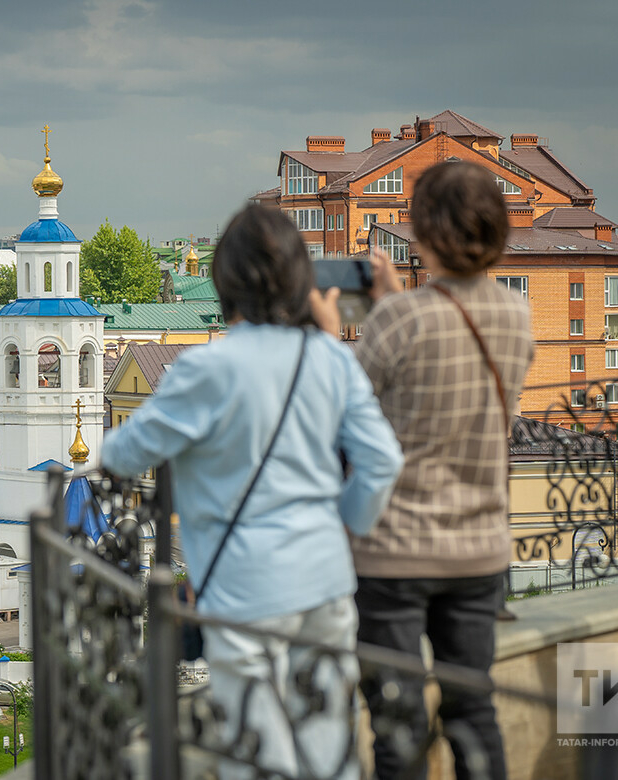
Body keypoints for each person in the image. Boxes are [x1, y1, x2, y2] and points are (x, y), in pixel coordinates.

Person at [101, 204, 403, 779]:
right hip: (325, 581)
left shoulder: (205, 368)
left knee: (260, 757)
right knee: (331, 751)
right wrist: (346, 527)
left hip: (243, 591)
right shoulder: (330, 357)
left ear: (224, 281)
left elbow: (121, 455)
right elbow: (382, 461)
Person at [312, 161, 534, 780]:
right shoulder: (517, 313)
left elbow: (344, 407)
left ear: (427, 233)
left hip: (395, 554)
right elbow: (447, 355)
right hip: (479, 551)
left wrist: (331, 335)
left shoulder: (400, 318)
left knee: (398, 721)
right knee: (474, 710)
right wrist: (396, 301)